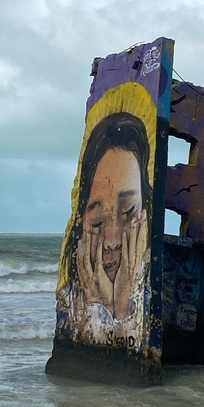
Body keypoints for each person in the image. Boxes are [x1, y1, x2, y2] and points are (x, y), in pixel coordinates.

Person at [57, 111, 151, 346]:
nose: (111, 241)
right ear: (81, 224)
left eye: (128, 212)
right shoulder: (69, 300)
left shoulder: (156, 294)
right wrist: (100, 305)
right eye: (98, 223)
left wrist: (124, 304)